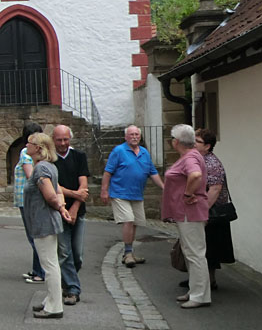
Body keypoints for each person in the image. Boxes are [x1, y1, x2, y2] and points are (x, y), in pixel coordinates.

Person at [24, 132, 73, 319]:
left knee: (49, 265)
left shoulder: (41, 169)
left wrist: (60, 207)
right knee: (51, 263)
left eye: (29, 143)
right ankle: (51, 300)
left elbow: (51, 195)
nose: (26, 146)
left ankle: (54, 306)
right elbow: (58, 190)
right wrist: (62, 208)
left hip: (43, 222)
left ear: (38, 148)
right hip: (46, 221)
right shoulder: (48, 166)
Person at [100, 125, 164, 267]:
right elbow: (108, 172)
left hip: (137, 194)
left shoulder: (145, 153)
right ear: (125, 137)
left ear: (140, 137)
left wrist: (164, 188)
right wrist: (104, 190)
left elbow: (152, 173)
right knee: (128, 220)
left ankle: (129, 252)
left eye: (136, 134)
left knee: (135, 223)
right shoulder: (119, 151)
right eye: (131, 134)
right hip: (119, 193)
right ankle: (128, 254)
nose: (134, 137)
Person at [162, 124, 211, 309]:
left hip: (190, 212)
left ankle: (200, 295)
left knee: (195, 253)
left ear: (176, 142)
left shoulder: (190, 157)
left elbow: (196, 175)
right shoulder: (190, 156)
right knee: (191, 252)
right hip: (187, 213)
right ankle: (196, 291)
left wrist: (189, 194)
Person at [53, 125, 90, 305]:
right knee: (65, 252)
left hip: (78, 211)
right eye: (59, 140)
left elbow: (84, 185)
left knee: (77, 254)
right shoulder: (49, 160)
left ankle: (66, 281)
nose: (62, 143)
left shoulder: (79, 157)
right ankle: (73, 289)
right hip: (58, 212)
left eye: (65, 139)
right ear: (53, 140)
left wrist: (75, 206)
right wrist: (75, 195)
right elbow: (54, 187)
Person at [195, 128, 235, 289]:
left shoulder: (211, 163)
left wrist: (203, 211)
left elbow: (215, 189)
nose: (194, 144)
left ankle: (208, 281)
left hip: (213, 212)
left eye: (198, 142)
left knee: (210, 248)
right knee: (202, 246)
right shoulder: (200, 159)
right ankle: (200, 279)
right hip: (206, 210)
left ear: (207, 146)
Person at [13, 121, 44, 284]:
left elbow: (31, 176)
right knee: (35, 235)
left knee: (34, 236)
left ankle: (40, 272)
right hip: (27, 199)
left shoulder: (26, 152)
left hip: (28, 199)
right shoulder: (35, 152)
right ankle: (36, 269)